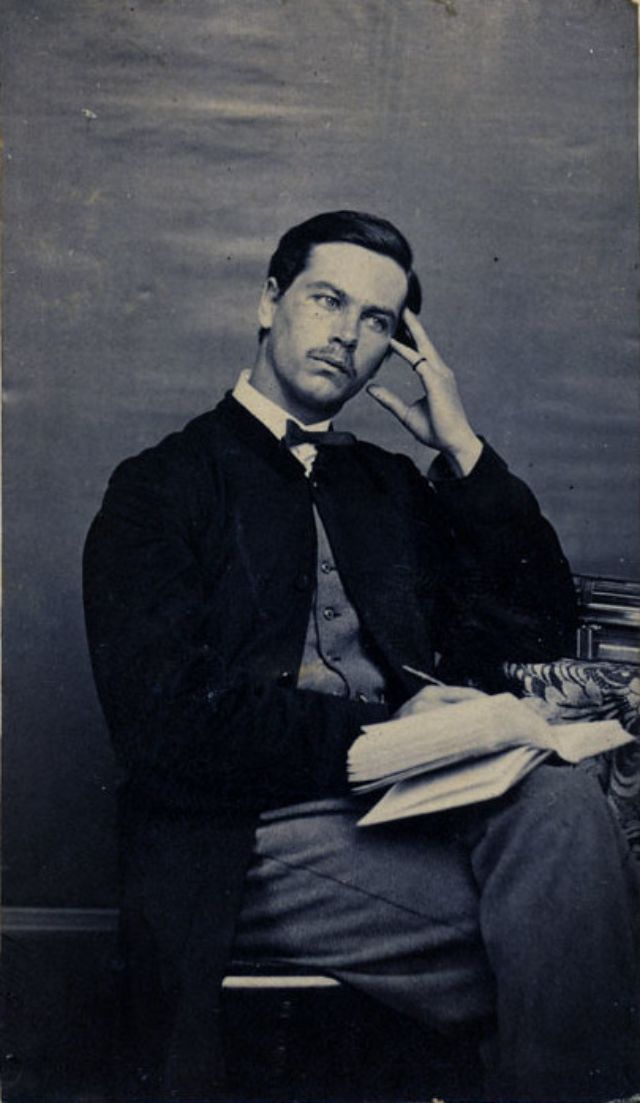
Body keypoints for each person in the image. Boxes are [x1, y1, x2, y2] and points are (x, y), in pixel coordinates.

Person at [83, 210, 639, 1102]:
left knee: (566, 804)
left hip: (422, 802)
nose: (347, 333)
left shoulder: (386, 485)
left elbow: (537, 627)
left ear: (395, 348)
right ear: (269, 302)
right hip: (248, 835)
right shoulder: (158, 486)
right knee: (577, 929)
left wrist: (459, 447)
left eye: (377, 320)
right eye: (327, 299)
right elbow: (164, 722)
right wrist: (383, 727)